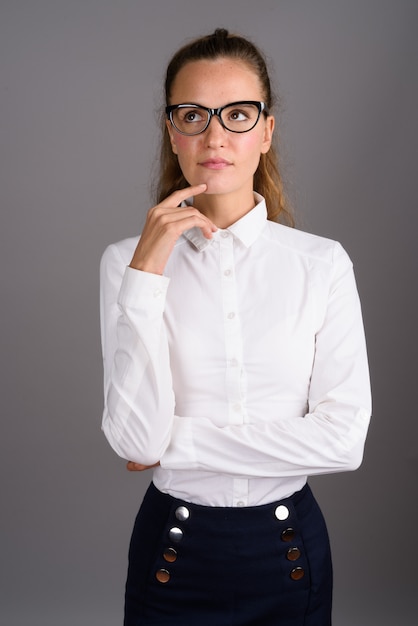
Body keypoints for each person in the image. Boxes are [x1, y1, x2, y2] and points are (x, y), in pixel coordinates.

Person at [100, 28, 371, 626]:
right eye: (193, 115)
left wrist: (181, 443)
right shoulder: (125, 262)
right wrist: (147, 274)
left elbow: (342, 441)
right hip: (172, 553)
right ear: (172, 132)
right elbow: (134, 442)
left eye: (238, 114)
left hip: (288, 554)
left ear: (267, 131)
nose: (215, 135)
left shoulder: (321, 263)